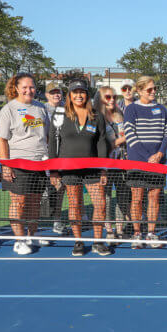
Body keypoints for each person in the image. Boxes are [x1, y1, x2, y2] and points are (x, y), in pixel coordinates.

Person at [49, 80, 111, 257]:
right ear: (69, 95)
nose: (78, 95)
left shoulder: (97, 116)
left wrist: (103, 169)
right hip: (68, 169)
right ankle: (78, 241)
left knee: (100, 205)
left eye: (82, 92)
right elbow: (53, 143)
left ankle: (98, 242)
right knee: (74, 206)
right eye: (75, 92)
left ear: (87, 94)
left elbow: (101, 144)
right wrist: (53, 170)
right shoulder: (59, 114)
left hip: (92, 170)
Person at [0, 72, 50, 255]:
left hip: (40, 164)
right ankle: (19, 240)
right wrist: (6, 165)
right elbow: (1, 139)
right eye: (25, 87)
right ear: (16, 88)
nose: (29, 90)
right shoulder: (8, 110)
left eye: (32, 87)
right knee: (19, 202)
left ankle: (31, 236)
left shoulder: (41, 108)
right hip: (18, 164)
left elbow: (46, 136)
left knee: (35, 203)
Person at [124, 76, 167, 248]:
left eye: (154, 88)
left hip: (157, 162)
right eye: (149, 89)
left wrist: (159, 154)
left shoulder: (163, 109)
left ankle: (151, 233)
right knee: (136, 198)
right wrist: (147, 157)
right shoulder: (131, 109)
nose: (153, 92)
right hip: (137, 162)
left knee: (154, 197)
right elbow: (130, 135)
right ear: (139, 90)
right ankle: (137, 234)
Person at [94, 86, 131, 243]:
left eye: (114, 97)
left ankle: (120, 228)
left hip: (122, 163)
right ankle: (108, 229)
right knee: (106, 198)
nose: (111, 100)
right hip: (105, 165)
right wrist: (121, 140)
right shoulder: (96, 117)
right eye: (107, 97)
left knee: (123, 197)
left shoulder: (120, 114)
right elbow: (100, 144)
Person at [42, 82, 67, 235]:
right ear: (47, 95)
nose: (56, 95)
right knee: (40, 190)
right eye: (52, 92)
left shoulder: (68, 108)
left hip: (64, 154)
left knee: (61, 188)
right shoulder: (42, 109)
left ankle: (57, 220)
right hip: (45, 155)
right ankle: (32, 225)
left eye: (58, 92)